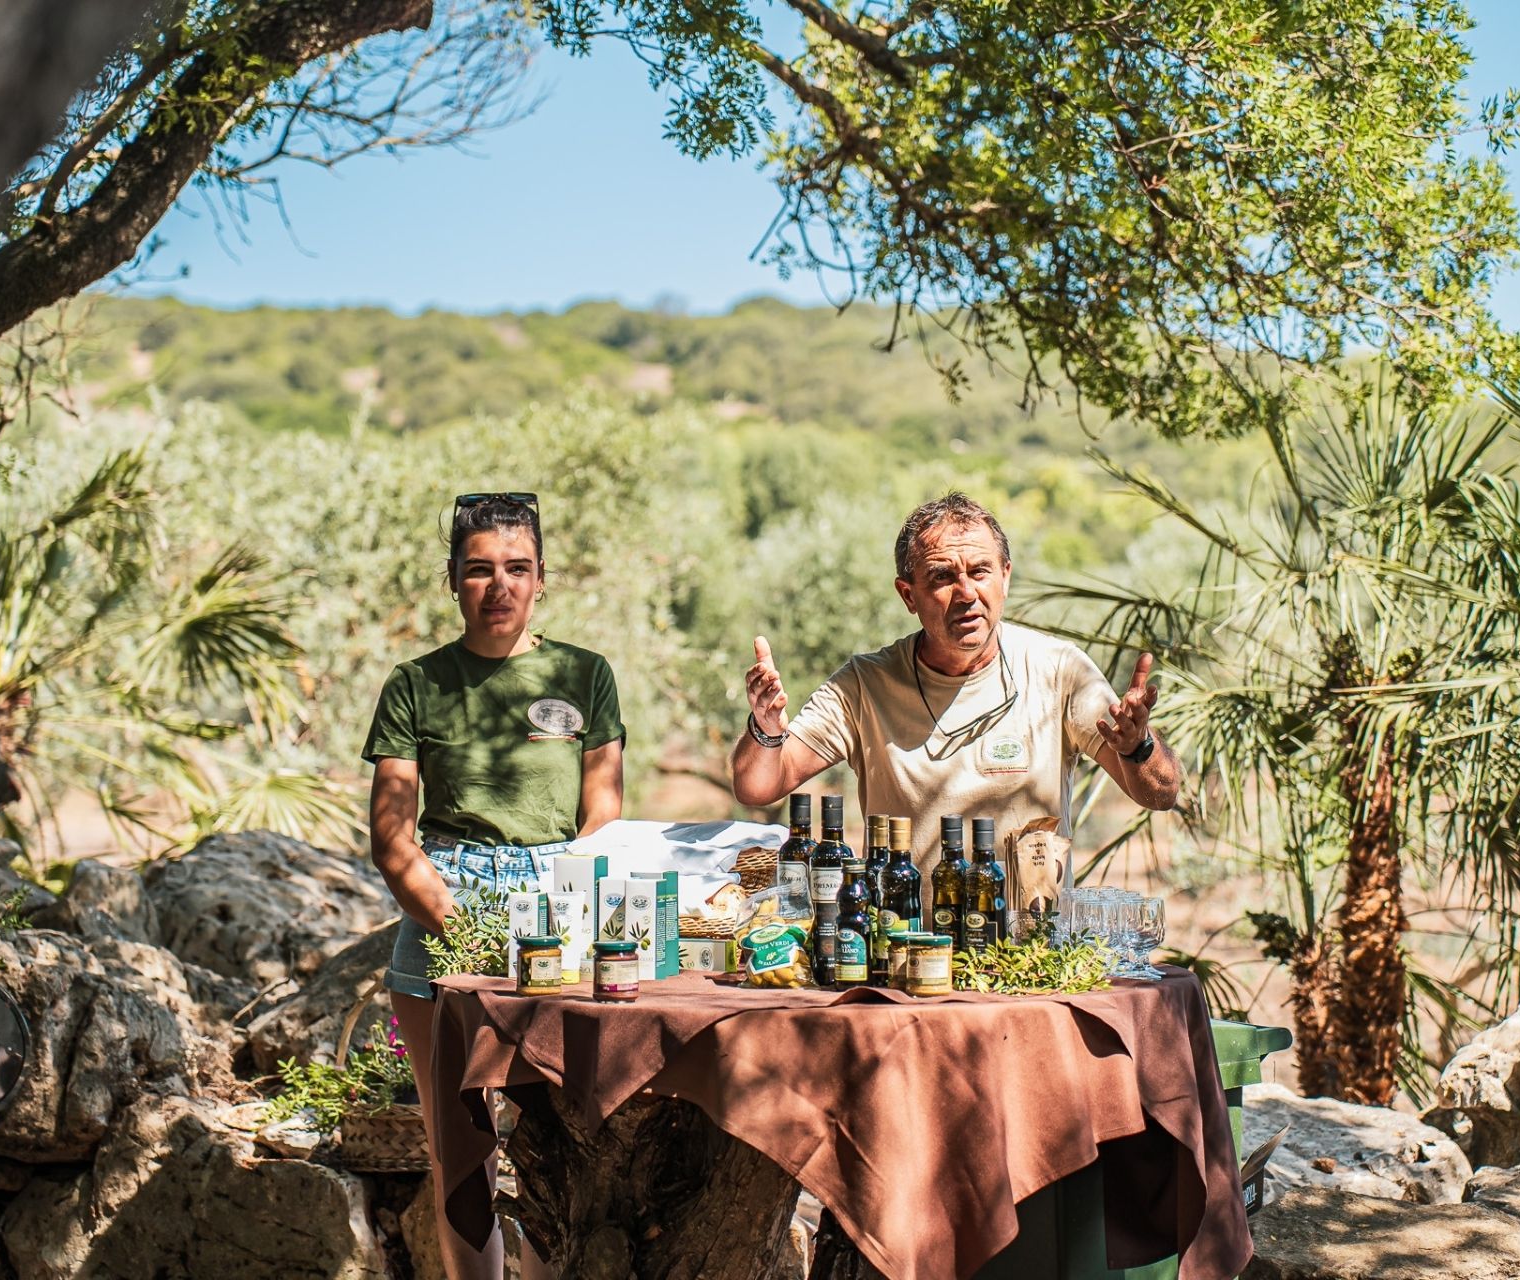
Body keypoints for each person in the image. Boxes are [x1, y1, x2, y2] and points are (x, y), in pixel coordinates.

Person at [363, 492, 623, 1280]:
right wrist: (461, 931)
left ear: (542, 578)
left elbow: (603, 816)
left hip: (560, 906)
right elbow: (390, 838)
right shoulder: (415, 684)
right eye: (479, 570)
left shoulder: (585, 675)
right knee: (459, 1146)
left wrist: (562, 923)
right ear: (452, 579)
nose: (499, 586)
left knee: (560, 1140)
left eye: (516, 568)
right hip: (444, 907)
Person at [730, 492, 1180, 877]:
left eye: (980, 571)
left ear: (1005, 576)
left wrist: (1137, 747)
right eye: (942, 576)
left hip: (1030, 957)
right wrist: (766, 728)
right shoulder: (865, 685)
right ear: (908, 595)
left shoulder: (1059, 670)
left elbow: (1161, 793)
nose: (966, 592)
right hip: (905, 951)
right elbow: (757, 787)